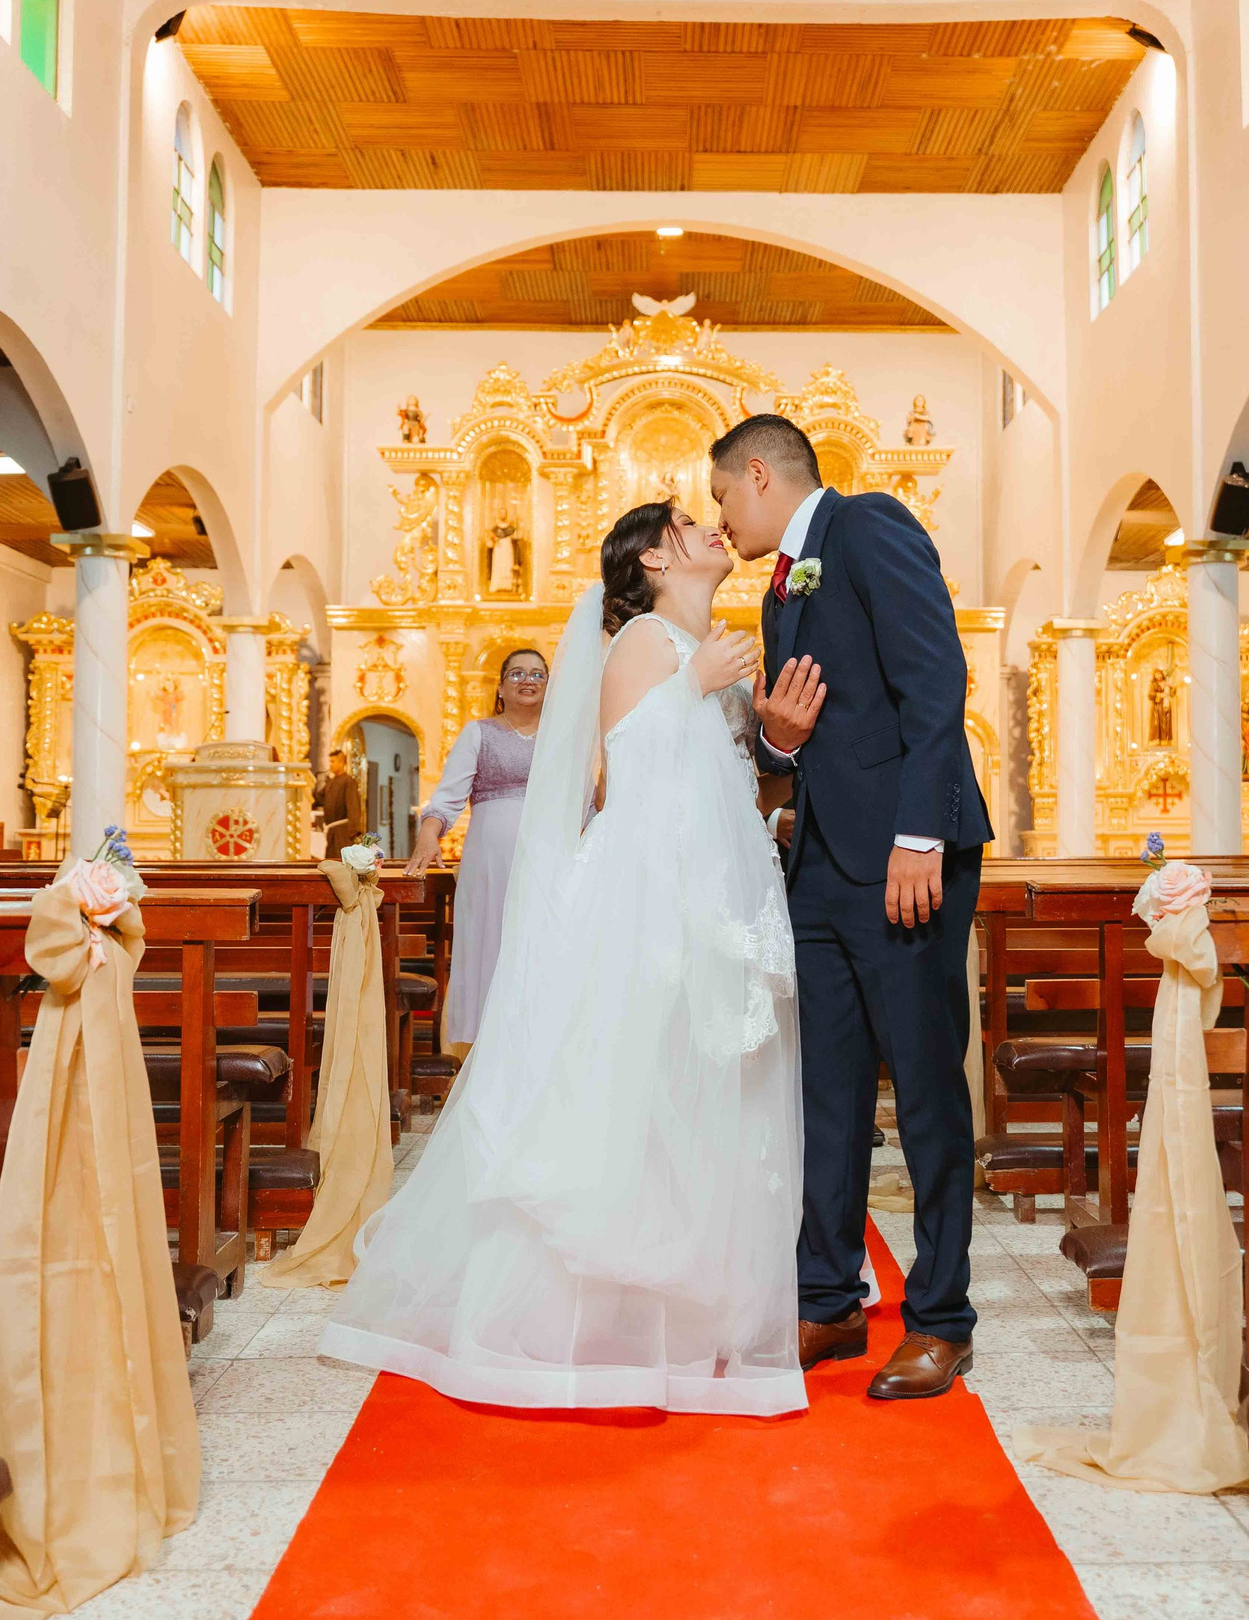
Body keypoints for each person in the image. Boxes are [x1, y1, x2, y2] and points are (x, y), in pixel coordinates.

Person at [323, 501, 810, 1417]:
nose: (712, 530)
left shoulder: (694, 644)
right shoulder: (645, 646)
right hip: (647, 897)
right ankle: (593, 1318)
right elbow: (626, 772)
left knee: (699, 1097)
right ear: (656, 560)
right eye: (688, 523)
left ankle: (694, 1309)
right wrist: (690, 685)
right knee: (629, 1097)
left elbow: (721, 784)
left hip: (706, 887)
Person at [713, 411, 993, 1402]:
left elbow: (935, 678)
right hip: (820, 865)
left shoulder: (869, 525)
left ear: (758, 474)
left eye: (720, 496)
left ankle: (941, 1319)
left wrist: (920, 833)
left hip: (904, 858)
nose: (719, 517)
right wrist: (778, 747)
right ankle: (827, 1297)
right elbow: (790, 740)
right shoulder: (780, 588)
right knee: (823, 1095)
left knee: (922, 1091)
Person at [406, 648, 546, 1057]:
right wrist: (428, 835)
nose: (528, 680)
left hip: (547, 863)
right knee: (491, 944)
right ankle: (485, 1055)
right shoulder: (479, 732)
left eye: (538, 674)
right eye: (517, 673)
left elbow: (584, 803)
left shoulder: (563, 737)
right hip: (489, 864)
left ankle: (534, 1050)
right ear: (500, 686)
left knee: (539, 947)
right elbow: (447, 799)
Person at [316, 749, 364, 853]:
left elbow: (353, 806)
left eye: (333, 762)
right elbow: (319, 799)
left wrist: (353, 831)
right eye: (330, 761)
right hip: (332, 831)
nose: (330, 765)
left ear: (342, 763)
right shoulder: (331, 782)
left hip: (343, 832)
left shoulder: (348, 782)